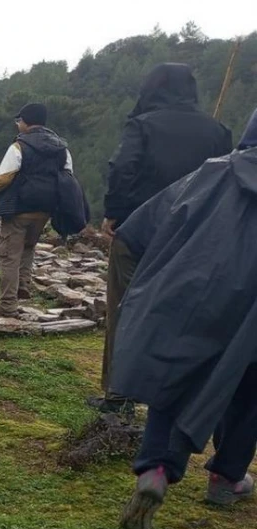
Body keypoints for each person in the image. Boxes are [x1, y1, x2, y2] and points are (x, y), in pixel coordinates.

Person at [113, 107, 257, 529]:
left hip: (194, 294)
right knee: (249, 392)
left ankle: (157, 468)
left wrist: (153, 280)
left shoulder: (215, 172)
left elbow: (139, 231)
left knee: (172, 380)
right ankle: (227, 478)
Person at [88, 63, 234, 415]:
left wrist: (113, 213)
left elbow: (123, 168)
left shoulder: (142, 124)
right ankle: (168, 394)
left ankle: (118, 393)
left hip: (138, 231)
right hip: (190, 237)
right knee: (176, 311)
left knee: (124, 306)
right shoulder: (217, 131)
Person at [0, 103, 74, 317]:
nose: (18, 125)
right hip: (45, 209)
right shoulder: (62, 148)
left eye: (19, 121)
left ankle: (7, 305)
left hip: (18, 208)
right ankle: (23, 284)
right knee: (29, 247)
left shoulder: (19, 146)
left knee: (9, 255)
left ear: (25, 122)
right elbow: (68, 175)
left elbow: (5, 176)